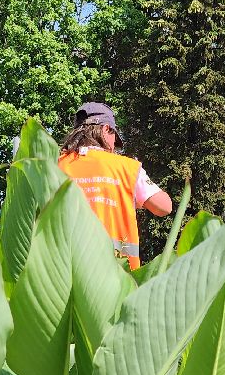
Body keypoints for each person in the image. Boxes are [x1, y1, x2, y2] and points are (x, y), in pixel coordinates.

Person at [57, 102, 173, 269]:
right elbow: (164, 207)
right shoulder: (127, 168)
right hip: (118, 273)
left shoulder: (56, 165)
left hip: (65, 270)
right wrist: (130, 197)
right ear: (106, 129)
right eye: (115, 139)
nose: (113, 147)